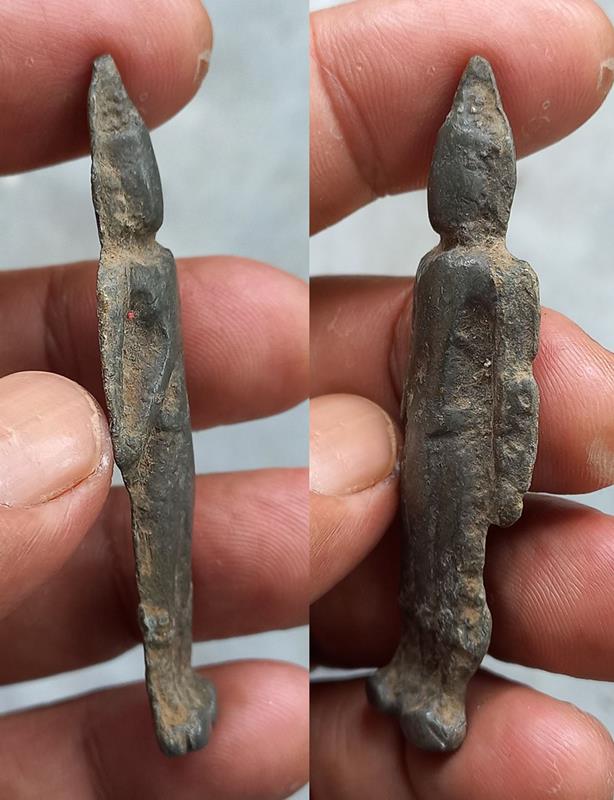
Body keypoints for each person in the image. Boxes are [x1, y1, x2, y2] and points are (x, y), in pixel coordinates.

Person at [0, 1, 308, 797]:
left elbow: (146, 353)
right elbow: (131, 357)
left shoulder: (144, 266)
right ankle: (170, 685)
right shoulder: (129, 272)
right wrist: (135, 435)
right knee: (163, 566)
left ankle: (174, 681)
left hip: (167, 440)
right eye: (128, 177)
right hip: (157, 442)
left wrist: (145, 428)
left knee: (172, 562)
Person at [310, 0, 614, 797]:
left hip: (469, 454)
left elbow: (517, 381)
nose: (457, 182)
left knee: (456, 573)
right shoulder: (435, 269)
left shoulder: (503, 278)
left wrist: (509, 469)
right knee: (419, 565)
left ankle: (444, 680)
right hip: (427, 445)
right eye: (454, 168)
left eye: (471, 170)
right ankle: (412, 663)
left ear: (495, 184)